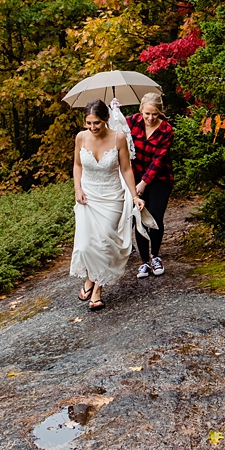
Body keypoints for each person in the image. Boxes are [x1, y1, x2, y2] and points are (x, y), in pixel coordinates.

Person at [71, 99, 147, 311]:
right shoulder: (80, 137)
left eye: (96, 122)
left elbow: (126, 170)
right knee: (86, 246)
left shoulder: (118, 138)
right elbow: (77, 165)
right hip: (87, 197)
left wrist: (134, 196)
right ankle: (89, 277)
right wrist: (77, 189)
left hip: (112, 197)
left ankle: (97, 289)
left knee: (104, 244)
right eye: (88, 123)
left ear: (106, 119)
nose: (92, 127)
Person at [127, 92, 173, 279]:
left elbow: (159, 159)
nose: (150, 118)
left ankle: (155, 256)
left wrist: (144, 182)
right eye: (147, 114)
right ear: (141, 111)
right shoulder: (131, 122)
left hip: (159, 178)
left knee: (154, 216)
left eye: (154, 114)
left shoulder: (166, 130)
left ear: (159, 112)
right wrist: (113, 110)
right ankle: (144, 262)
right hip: (134, 177)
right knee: (139, 216)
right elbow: (112, 129)